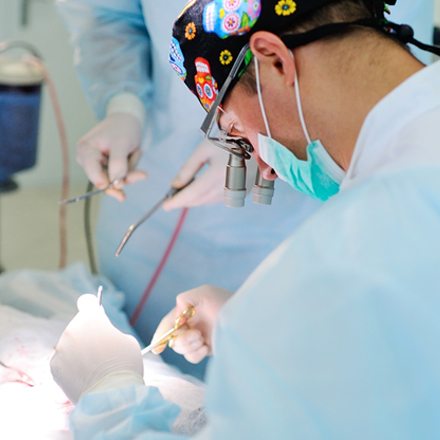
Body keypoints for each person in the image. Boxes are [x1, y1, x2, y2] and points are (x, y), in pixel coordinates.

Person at [51, 0, 440, 438]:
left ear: (275, 60)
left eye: (236, 131)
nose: (264, 166)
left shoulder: (347, 260)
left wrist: (109, 397)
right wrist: (253, 323)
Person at [56, 0, 320, 376]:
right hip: (148, 199)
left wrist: (264, 136)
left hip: (284, 226)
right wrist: (123, 103)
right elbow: (106, 15)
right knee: (128, 372)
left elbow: (368, 54)